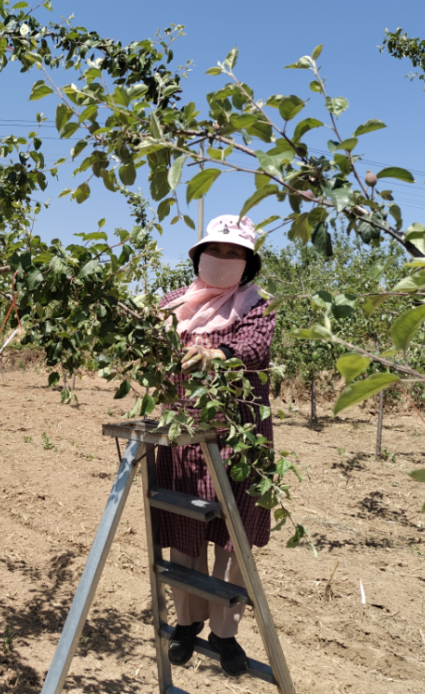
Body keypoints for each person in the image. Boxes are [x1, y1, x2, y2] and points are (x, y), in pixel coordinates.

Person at [156, 214, 276, 676]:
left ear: (248, 263)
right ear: (198, 256)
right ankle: (187, 623)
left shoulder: (257, 307)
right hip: (184, 438)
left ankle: (225, 632)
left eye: (235, 253)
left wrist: (216, 354)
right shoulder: (172, 305)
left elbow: (254, 349)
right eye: (217, 250)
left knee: (233, 536)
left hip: (240, 440)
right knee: (185, 529)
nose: (224, 259)